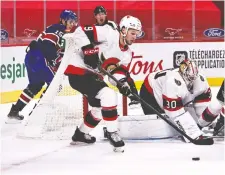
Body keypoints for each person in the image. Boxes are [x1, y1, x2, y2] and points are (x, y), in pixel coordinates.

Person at [63, 15, 143, 151]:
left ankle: (80, 134)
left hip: (93, 76)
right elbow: (80, 31)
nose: (135, 37)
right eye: (132, 33)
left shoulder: (127, 54)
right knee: (108, 95)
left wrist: (122, 84)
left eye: (137, 34)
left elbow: (115, 75)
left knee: (100, 108)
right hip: (78, 70)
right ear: (123, 30)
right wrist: (88, 50)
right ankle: (112, 132)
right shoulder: (109, 33)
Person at [6, 10, 78, 124]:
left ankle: (14, 111)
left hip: (31, 57)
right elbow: (48, 46)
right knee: (55, 85)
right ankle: (37, 113)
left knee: (35, 85)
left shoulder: (57, 29)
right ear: (63, 20)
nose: (72, 24)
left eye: (74, 22)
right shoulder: (59, 29)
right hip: (39, 58)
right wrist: (56, 61)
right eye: (70, 21)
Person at [139, 59, 215, 143]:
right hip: (150, 92)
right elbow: (174, 113)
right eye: (189, 78)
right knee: (159, 126)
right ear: (182, 73)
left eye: (193, 78)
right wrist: (194, 134)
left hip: (172, 92)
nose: (191, 82)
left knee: (190, 118)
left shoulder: (201, 80)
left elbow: (203, 108)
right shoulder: (172, 82)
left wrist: (210, 122)